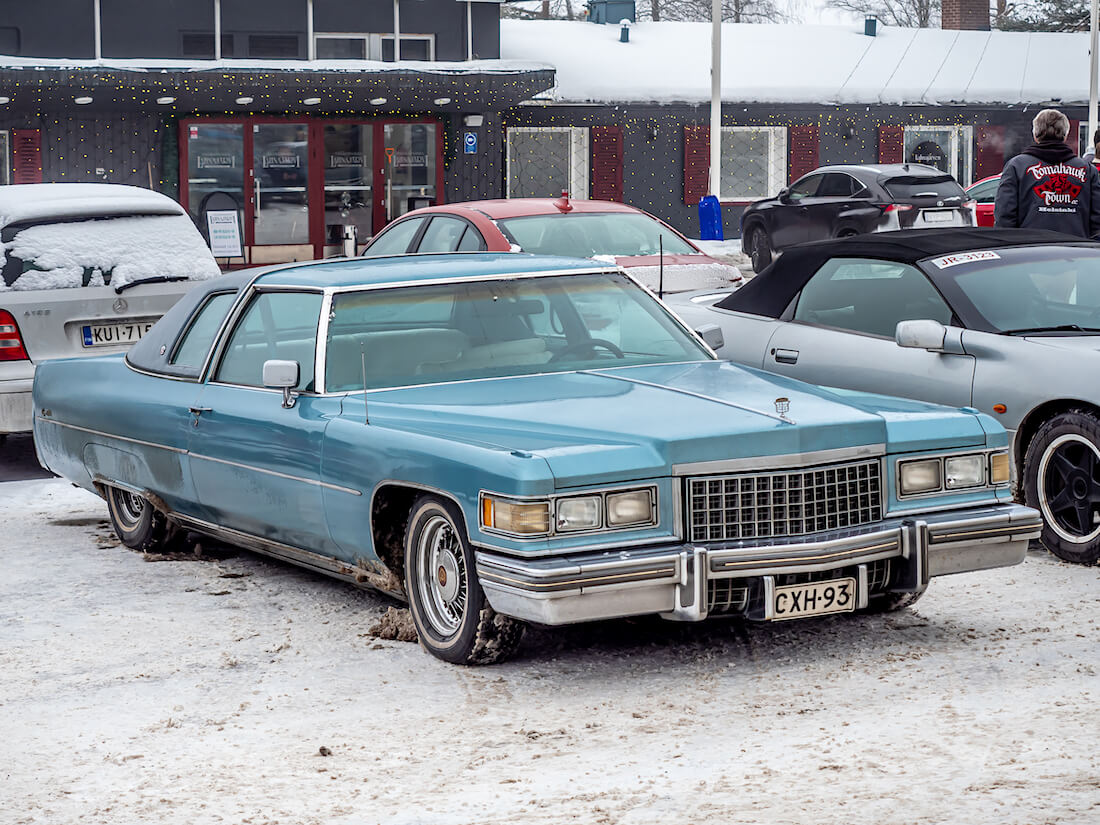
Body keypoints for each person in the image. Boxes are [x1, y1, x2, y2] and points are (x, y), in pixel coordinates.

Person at [994, 109, 1100, 239]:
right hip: (1075, 252)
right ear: (1065, 135)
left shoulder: (1016, 166)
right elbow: (1097, 222)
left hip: (1029, 252)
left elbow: (1005, 218)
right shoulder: (1088, 170)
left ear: (1035, 135)